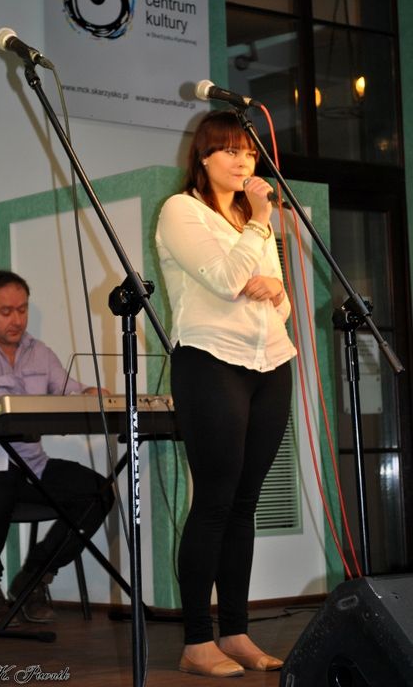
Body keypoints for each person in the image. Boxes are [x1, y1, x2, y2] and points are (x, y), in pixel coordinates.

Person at [155, 110, 297, 678]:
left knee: (245, 504)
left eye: (250, 152)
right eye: (232, 150)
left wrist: (276, 287)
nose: (244, 161)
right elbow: (224, 279)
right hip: (211, 360)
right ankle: (196, 641)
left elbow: (282, 306)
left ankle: (235, 632)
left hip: (271, 361)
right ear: (204, 156)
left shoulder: (247, 218)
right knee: (214, 500)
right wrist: (261, 224)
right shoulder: (181, 210)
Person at [0, 269, 114, 628]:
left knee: (98, 492)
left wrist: (86, 394)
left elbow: (67, 389)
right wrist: (28, 391)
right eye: (6, 311)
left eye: (22, 309)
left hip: (30, 465)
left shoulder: (40, 352)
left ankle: (33, 578)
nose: (17, 320)